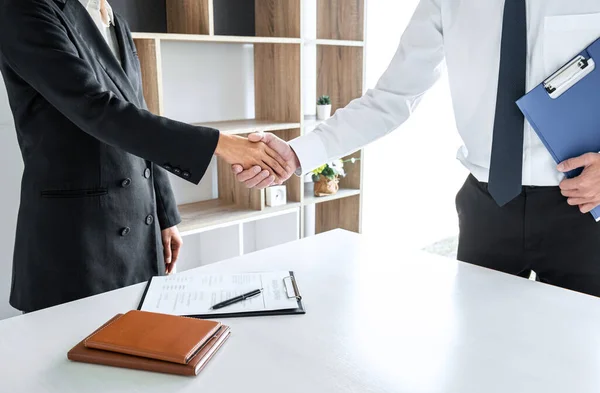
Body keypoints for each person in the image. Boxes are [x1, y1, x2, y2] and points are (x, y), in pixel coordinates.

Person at [233, 0, 600, 297]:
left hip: (583, 208)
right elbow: (390, 100)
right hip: (487, 209)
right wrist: (298, 153)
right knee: (481, 360)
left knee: (583, 366)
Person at [0, 0, 291, 313]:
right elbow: (96, 109)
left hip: (139, 223)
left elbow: (137, 114)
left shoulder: (114, 21)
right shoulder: (22, 9)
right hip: (76, 238)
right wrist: (221, 143)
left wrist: (165, 215)